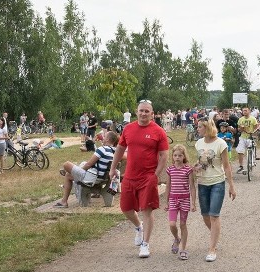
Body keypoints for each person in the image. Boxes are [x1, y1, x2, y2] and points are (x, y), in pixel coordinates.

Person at [109, 101, 169, 258]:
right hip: (129, 176)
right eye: (141, 111)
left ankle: (145, 244)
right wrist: (113, 168)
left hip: (148, 176)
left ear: (152, 113)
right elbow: (120, 149)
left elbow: (164, 155)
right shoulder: (128, 129)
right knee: (125, 207)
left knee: (146, 210)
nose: (144, 114)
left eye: (147, 111)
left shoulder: (158, 131)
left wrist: (156, 175)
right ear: (136, 112)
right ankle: (138, 227)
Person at [193, 118, 236, 262]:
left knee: (214, 215)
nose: (197, 129)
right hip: (202, 182)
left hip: (217, 182)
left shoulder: (221, 143)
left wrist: (231, 185)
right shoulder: (198, 143)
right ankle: (215, 235)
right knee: (205, 215)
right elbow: (199, 162)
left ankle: (212, 248)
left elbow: (227, 165)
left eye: (200, 127)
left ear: (207, 128)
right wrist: (196, 167)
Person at [55, 131, 118, 208]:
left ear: (108, 139)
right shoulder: (115, 151)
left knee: (66, 164)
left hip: (92, 178)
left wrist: (79, 170)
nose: (103, 138)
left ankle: (64, 202)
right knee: (68, 175)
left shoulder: (102, 149)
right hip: (103, 178)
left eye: (104, 136)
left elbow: (89, 164)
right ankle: (64, 201)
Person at [164, 145, 197, 261]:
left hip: (185, 200)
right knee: (172, 224)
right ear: (172, 157)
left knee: (183, 224)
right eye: (175, 155)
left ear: (184, 156)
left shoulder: (188, 169)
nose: (177, 158)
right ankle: (177, 238)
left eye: (180, 155)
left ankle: (183, 249)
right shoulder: (170, 170)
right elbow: (168, 186)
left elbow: (192, 186)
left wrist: (193, 202)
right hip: (173, 199)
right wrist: (166, 202)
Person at [235, 107, 258, 174]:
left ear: (249, 111)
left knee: (251, 148)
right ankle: (241, 165)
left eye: (246, 110)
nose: (244, 112)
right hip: (243, 137)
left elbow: (256, 128)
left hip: (250, 136)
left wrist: (254, 134)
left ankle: (252, 161)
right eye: (243, 111)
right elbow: (238, 129)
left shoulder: (253, 119)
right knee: (240, 150)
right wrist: (241, 129)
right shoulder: (240, 119)